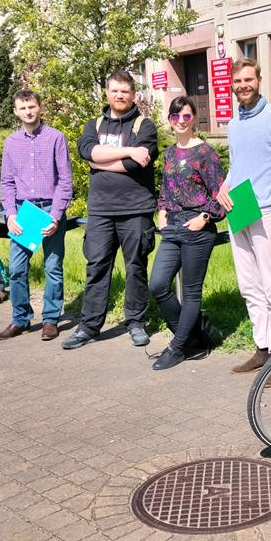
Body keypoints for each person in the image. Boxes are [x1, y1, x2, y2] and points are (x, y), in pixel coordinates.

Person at [62, 71, 159, 350]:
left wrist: (100, 161)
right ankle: (89, 327)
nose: (120, 96)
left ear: (133, 95)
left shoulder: (145, 125)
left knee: (136, 267)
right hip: (101, 211)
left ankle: (136, 323)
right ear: (107, 93)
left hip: (135, 210)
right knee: (97, 267)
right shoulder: (94, 124)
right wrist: (128, 151)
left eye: (125, 92)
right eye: (115, 91)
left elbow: (136, 164)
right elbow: (86, 151)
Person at [215, 58, 271, 381]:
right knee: (249, 285)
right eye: (237, 81)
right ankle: (262, 347)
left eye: (248, 80)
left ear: (259, 81)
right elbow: (237, 167)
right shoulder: (235, 121)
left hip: (267, 210)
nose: (243, 86)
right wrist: (224, 187)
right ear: (232, 85)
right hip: (241, 206)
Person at [148, 97, 226, 370]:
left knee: (191, 293)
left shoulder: (206, 154)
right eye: (176, 116)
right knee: (157, 284)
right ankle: (195, 335)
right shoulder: (170, 153)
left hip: (197, 228)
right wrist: (161, 210)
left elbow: (222, 197)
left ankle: (178, 347)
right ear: (170, 120)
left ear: (194, 119)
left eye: (186, 116)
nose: (181, 121)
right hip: (172, 227)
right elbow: (166, 190)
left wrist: (203, 218)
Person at [0, 90, 73, 341]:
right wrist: (10, 215)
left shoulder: (56, 138)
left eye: (31, 106)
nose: (28, 111)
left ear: (40, 108)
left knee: (53, 267)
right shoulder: (11, 143)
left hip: (51, 209)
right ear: (16, 111)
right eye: (23, 107)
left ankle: (51, 319)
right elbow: (6, 182)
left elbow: (65, 180)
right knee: (17, 269)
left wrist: (56, 216)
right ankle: (20, 319)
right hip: (24, 212)